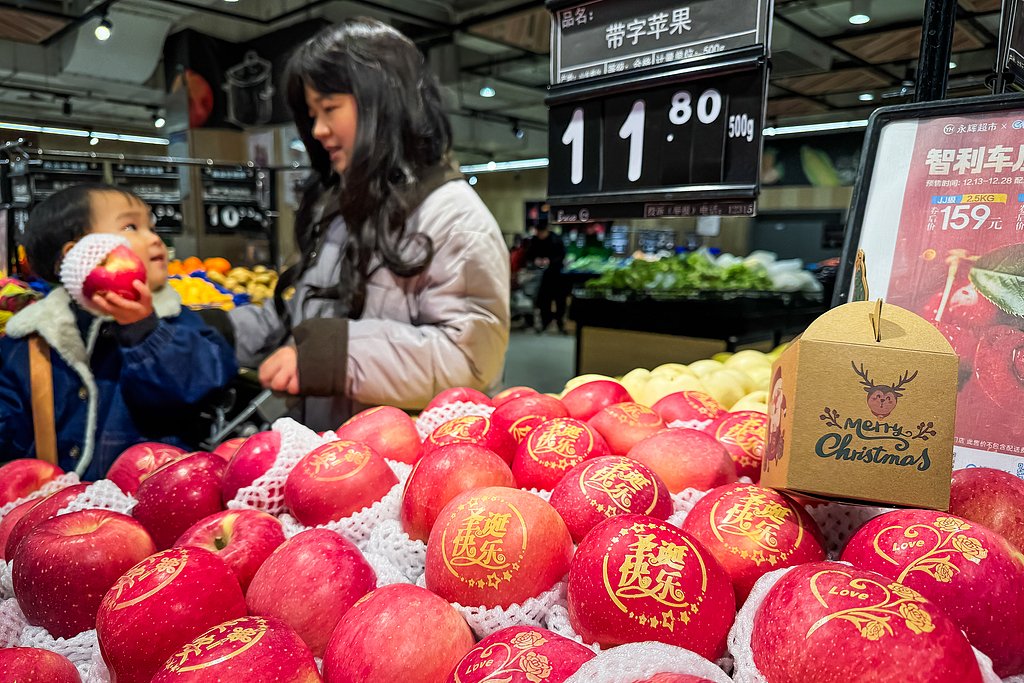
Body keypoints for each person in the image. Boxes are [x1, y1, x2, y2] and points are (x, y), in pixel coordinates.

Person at [208, 19, 510, 431]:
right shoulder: (342, 209)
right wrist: (212, 332)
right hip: (331, 457)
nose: (318, 130)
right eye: (313, 114)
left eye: (330, 109)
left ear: (383, 102)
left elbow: (471, 360)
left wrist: (337, 356)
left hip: (398, 471)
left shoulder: (454, 217)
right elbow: (297, 317)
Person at [0, 184, 238, 480]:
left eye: (151, 227)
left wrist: (144, 330)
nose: (154, 239)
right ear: (76, 255)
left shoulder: (174, 322)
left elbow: (207, 380)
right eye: (131, 226)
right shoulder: (32, 341)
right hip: (54, 509)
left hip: (151, 500)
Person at [524, 223, 566, 333]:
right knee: (544, 300)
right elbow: (529, 255)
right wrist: (536, 260)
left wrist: (550, 261)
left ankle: (559, 323)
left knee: (559, 300)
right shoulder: (534, 240)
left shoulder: (556, 240)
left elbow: (561, 255)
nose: (539, 234)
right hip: (542, 276)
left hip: (557, 275)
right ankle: (545, 323)